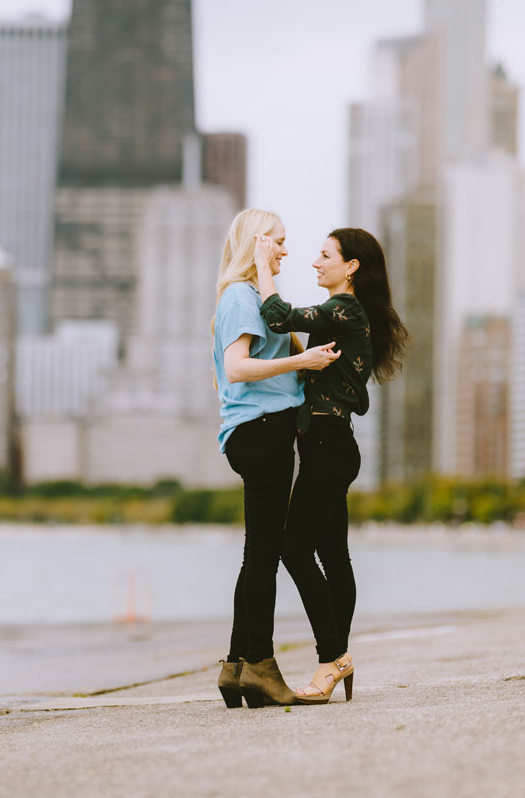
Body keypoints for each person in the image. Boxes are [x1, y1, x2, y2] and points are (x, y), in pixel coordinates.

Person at [254, 227, 408, 704]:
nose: (315, 263)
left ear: (351, 266)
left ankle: (333, 659)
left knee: (294, 550)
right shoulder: (342, 316)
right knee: (333, 556)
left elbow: (278, 316)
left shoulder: (344, 308)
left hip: (327, 444)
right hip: (328, 443)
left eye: (324, 256)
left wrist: (262, 263)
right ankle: (336, 659)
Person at [211, 209, 341, 708]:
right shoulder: (242, 296)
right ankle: (259, 666)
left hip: (257, 432)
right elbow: (238, 367)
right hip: (261, 431)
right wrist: (302, 360)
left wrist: (301, 372)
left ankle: (236, 665)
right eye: (279, 243)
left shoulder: (243, 296)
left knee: (257, 552)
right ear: (258, 243)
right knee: (263, 554)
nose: (287, 251)